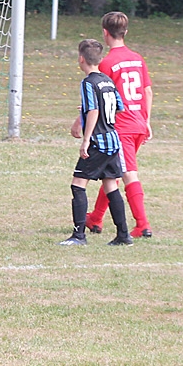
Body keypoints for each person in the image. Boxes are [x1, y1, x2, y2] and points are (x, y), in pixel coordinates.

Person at [86, 11, 153, 237]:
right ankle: (95, 218)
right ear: (125, 32)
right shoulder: (137, 58)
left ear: (105, 32)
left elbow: (98, 96)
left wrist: (81, 122)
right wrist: (147, 120)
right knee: (112, 171)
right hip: (139, 123)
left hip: (122, 127)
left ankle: (142, 224)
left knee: (127, 173)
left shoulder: (107, 63)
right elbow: (147, 91)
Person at [63, 38, 134, 246]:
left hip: (98, 141)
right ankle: (123, 235)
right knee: (111, 185)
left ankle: (79, 236)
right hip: (113, 140)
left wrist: (86, 140)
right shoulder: (108, 81)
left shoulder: (88, 83)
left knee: (78, 184)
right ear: (100, 59)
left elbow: (94, 110)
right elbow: (119, 107)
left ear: (81, 59)